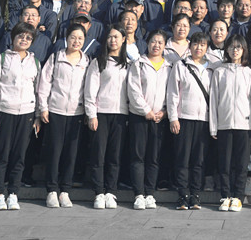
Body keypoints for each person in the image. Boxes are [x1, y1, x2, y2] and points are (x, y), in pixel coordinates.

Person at [0, 22, 40, 211]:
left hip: (26, 113)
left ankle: (13, 193)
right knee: (2, 155)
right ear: (13, 37)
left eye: (28, 38)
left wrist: (37, 115)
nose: (24, 40)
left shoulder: (35, 62)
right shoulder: (1, 59)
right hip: (4, 111)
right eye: (20, 36)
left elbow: (38, 91)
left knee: (19, 156)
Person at [36, 24, 90, 209]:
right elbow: (44, 84)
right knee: (55, 151)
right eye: (73, 37)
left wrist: (87, 111)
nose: (76, 41)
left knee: (71, 153)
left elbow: (88, 88)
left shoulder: (86, 61)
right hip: (56, 111)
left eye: (80, 38)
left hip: (76, 113)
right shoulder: (56, 58)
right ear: (66, 39)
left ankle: (65, 190)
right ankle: (51, 190)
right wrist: (43, 108)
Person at [84, 24, 130, 209]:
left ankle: (111, 191)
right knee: (99, 154)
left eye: (116, 37)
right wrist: (91, 114)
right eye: (110, 37)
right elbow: (90, 90)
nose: (113, 40)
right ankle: (99, 191)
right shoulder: (98, 62)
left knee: (115, 155)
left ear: (123, 39)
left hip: (120, 114)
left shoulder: (129, 64)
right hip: (101, 113)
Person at [209, 34, 251, 213]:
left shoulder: (249, 73)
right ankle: (225, 195)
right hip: (224, 124)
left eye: (238, 47)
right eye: (232, 47)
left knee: (241, 164)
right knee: (225, 163)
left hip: (244, 125)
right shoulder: (219, 72)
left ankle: (238, 196)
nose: (235, 50)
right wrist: (213, 126)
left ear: (244, 50)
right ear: (226, 50)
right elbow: (214, 100)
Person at [168, 32, 214, 210]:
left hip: (204, 120)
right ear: (190, 46)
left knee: (198, 160)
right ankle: (183, 195)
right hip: (184, 118)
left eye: (202, 45)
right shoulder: (181, 66)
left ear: (207, 48)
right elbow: (173, 93)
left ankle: (195, 194)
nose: (198, 48)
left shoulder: (211, 68)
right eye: (195, 44)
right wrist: (173, 117)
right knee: (183, 158)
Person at [128, 29, 172, 211]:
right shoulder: (139, 64)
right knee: (138, 156)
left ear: (165, 46)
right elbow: (133, 89)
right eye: (153, 41)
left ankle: (150, 193)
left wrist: (165, 111)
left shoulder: (169, 67)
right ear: (147, 43)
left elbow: (172, 92)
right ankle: (139, 194)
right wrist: (146, 110)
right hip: (140, 116)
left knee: (154, 157)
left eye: (160, 42)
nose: (156, 45)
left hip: (159, 118)